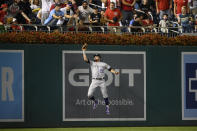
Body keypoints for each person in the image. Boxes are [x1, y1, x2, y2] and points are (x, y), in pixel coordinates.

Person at [81, 43, 119, 115]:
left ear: (99, 57)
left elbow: (110, 69)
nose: (95, 57)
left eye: (96, 56)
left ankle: (107, 108)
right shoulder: (92, 63)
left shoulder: (103, 64)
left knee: (105, 95)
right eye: (94, 56)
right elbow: (85, 59)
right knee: (89, 95)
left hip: (102, 81)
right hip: (94, 80)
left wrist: (114, 72)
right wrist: (83, 51)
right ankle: (95, 101)